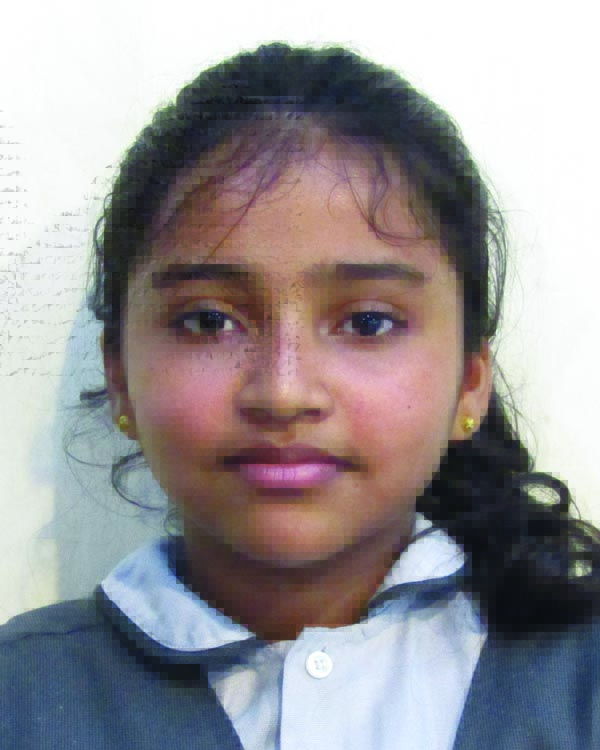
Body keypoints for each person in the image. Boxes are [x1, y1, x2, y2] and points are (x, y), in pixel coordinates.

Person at [1, 42, 599, 750]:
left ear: (471, 380)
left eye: (368, 322)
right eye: (208, 321)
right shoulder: (22, 700)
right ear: (120, 375)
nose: (284, 393)